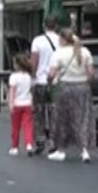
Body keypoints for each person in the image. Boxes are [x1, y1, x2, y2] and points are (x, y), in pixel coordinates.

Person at [47, 28, 96, 163]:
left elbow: (51, 74)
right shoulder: (85, 52)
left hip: (65, 87)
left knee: (63, 119)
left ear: (62, 39)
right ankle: (84, 150)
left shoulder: (59, 54)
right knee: (83, 118)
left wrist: (49, 83)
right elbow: (91, 74)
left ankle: (61, 149)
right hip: (83, 87)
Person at [30, 16, 61, 154]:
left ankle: (40, 140)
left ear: (44, 26)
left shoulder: (38, 41)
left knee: (39, 112)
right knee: (54, 112)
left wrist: (32, 77)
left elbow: (34, 62)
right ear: (56, 26)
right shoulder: (61, 41)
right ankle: (54, 140)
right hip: (56, 82)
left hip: (40, 81)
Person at [8, 55, 35, 156]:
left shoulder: (13, 77)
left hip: (17, 104)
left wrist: (11, 104)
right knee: (27, 125)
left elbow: (12, 92)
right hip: (27, 103)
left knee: (15, 127)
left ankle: (15, 147)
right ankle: (29, 144)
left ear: (17, 65)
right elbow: (31, 90)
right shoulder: (28, 77)